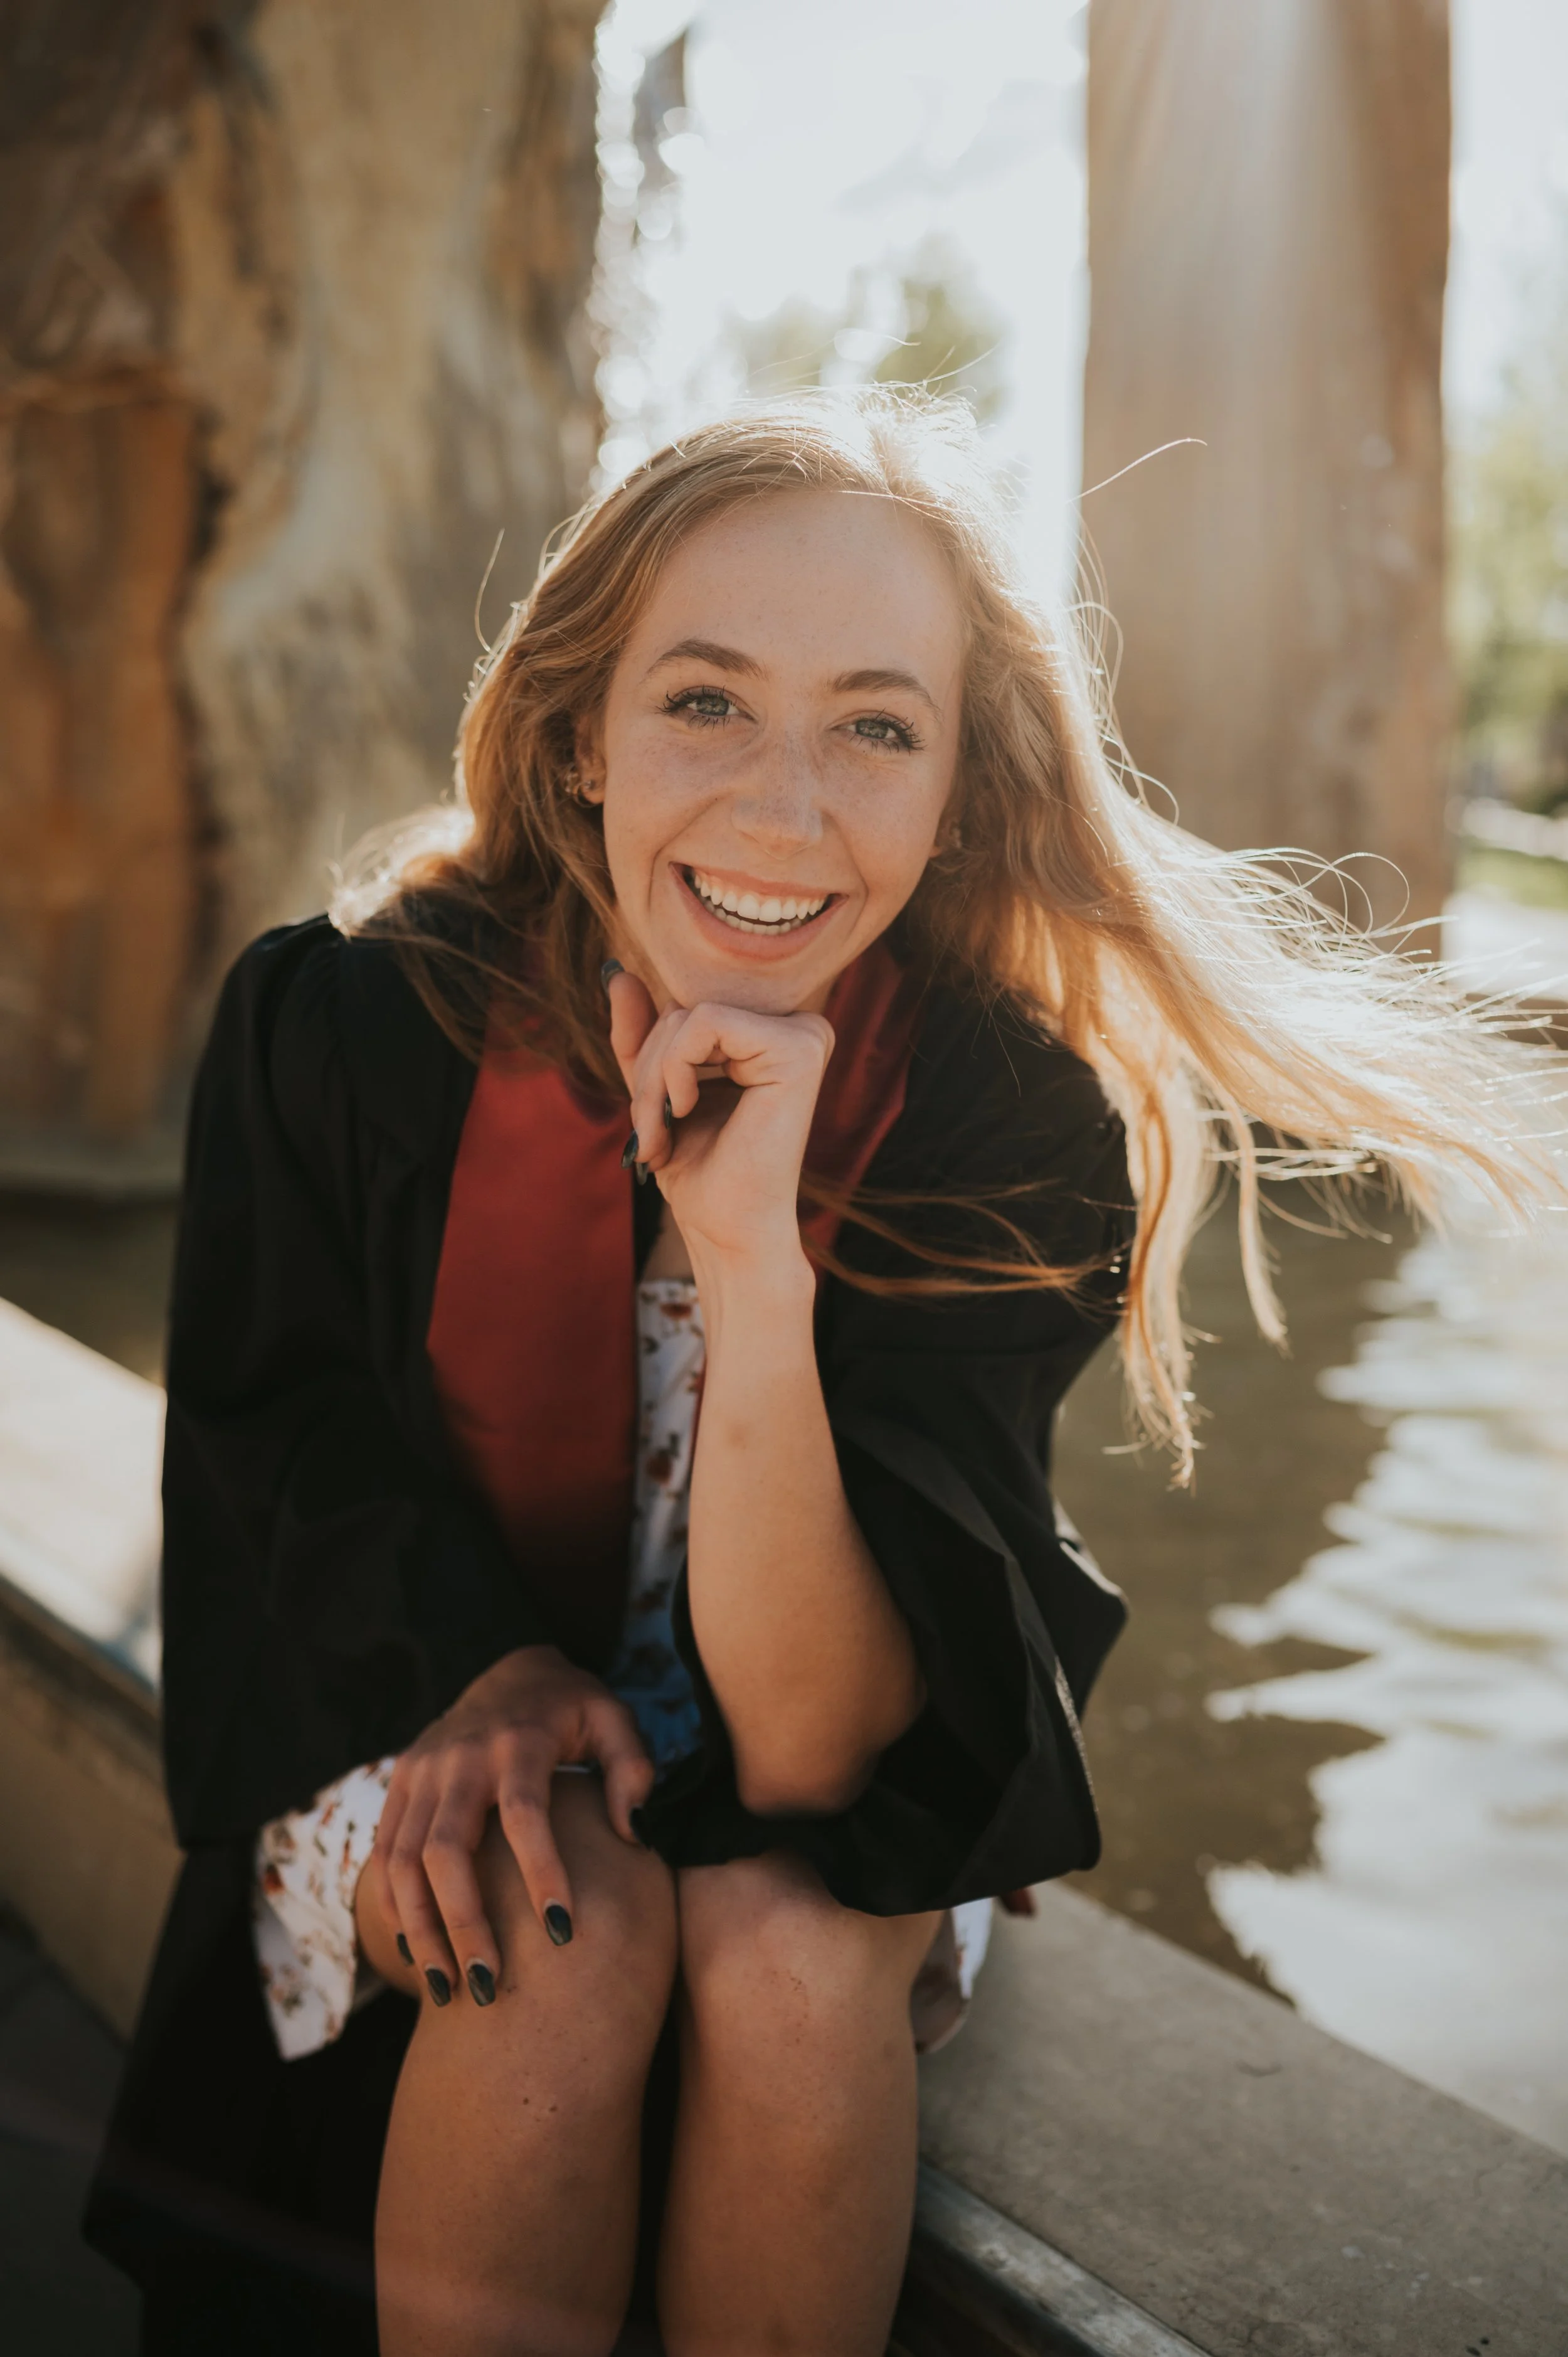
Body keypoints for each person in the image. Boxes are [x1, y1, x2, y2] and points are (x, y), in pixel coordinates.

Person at [86, 391, 1557, 2357]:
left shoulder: (1006, 1123)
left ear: (955, 785)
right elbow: (280, 1452)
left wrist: (752, 1268)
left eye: (875, 723)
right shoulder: (346, 1029)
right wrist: (483, 1667)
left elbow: (823, 1753)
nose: (786, 809)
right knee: (555, 1923)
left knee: (787, 1961)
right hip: (404, 1692)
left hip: (828, 1734)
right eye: (704, 701)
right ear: (574, 735)